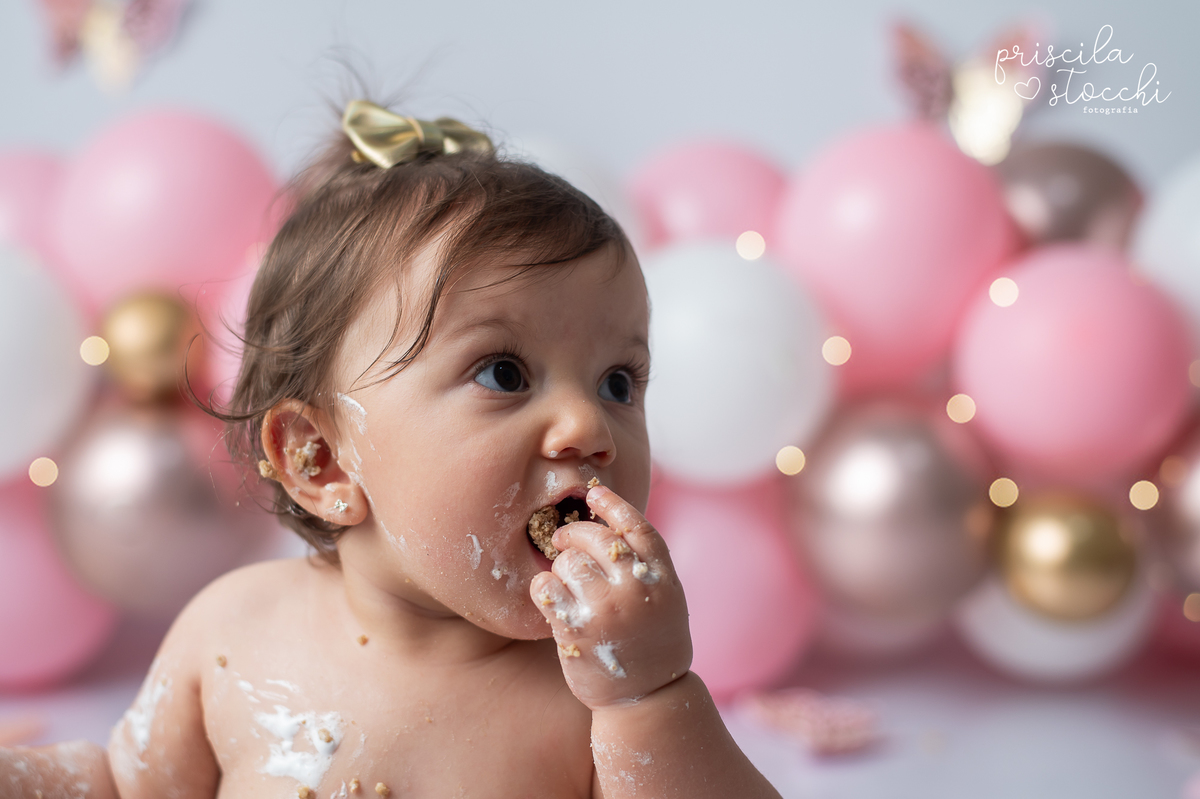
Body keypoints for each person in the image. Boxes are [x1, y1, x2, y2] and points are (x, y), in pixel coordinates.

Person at [0, 100, 782, 799]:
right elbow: (123, 784)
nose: (589, 425)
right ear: (321, 460)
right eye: (505, 372)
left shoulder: (590, 701)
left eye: (619, 381)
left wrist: (649, 698)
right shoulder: (235, 630)